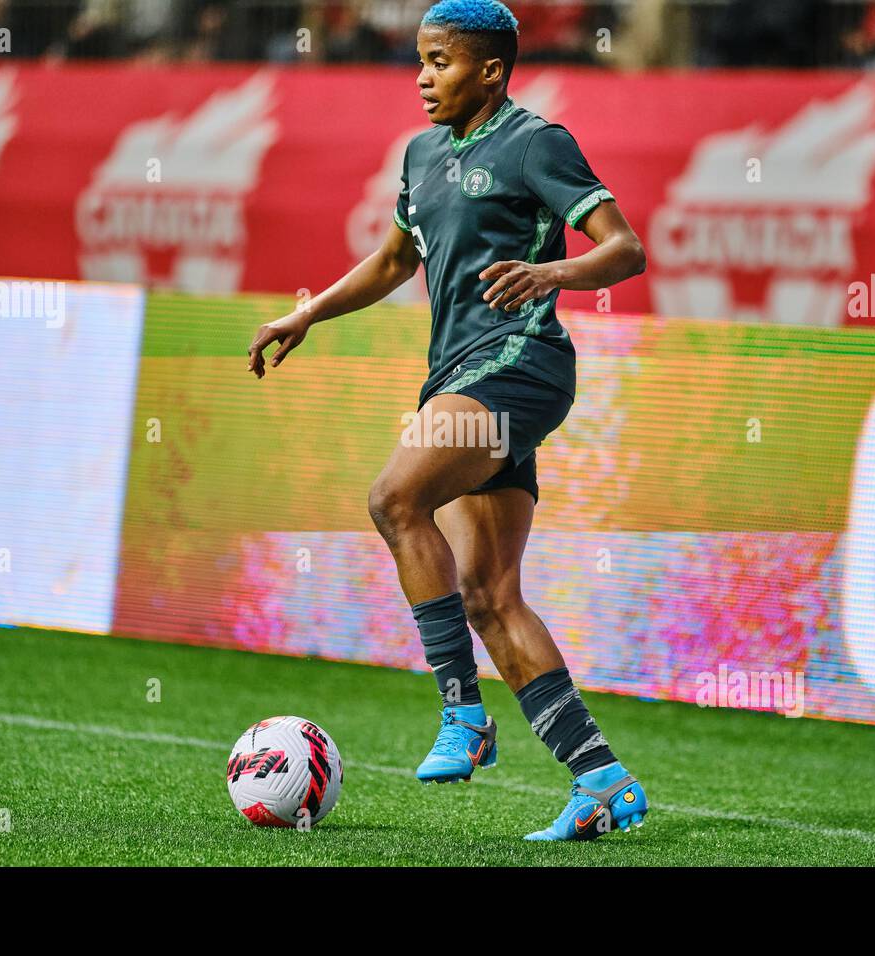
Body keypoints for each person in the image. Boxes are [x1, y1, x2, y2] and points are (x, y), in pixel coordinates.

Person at [247, 0, 648, 841]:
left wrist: (551, 273)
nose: (425, 78)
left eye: (442, 61)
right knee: (488, 595)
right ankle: (601, 780)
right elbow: (397, 258)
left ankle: (464, 716)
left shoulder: (536, 142)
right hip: (458, 375)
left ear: (491, 69)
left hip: (521, 364)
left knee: (395, 499)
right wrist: (308, 313)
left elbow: (624, 247)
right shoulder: (422, 154)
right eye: (421, 61)